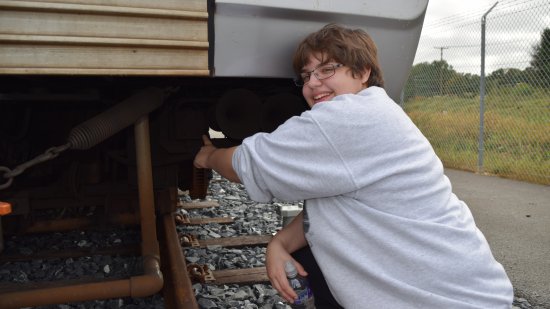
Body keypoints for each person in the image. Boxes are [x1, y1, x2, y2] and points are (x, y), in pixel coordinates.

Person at [194, 23, 513, 308]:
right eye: (306, 76)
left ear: (362, 73)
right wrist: (281, 242)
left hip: (449, 298)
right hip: (461, 290)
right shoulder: (375, 110)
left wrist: (207, 156)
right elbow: (340, 201)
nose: (312, 84)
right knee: (309, 256)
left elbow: (250, 165)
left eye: (327, 69)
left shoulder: (347, 118)